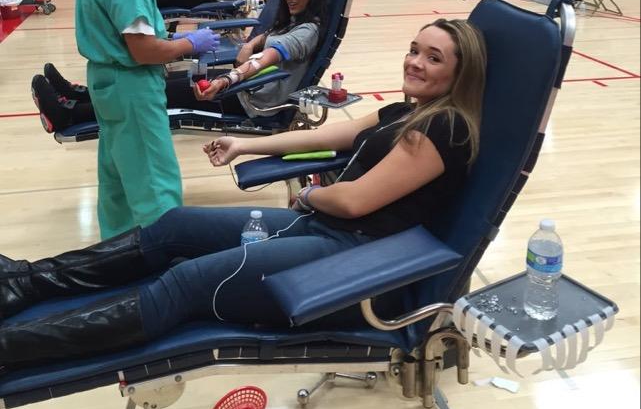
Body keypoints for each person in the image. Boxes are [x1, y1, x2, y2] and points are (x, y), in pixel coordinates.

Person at [1, 19, 486, 372]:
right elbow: (328, 138)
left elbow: (354, 201)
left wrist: (311, 197)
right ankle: (24, 282)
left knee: (186, 282)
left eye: (433, 57)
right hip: (326, 230)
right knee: (176, 227)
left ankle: (12, 346)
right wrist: (245, 145)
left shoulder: (444, 128)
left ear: (460, 74)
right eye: (414, 49)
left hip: (356, 261)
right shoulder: (406, 111)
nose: (414, 62)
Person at [74, 0, 220, 240]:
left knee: (119, 176)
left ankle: (117, 247)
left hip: (107, 82)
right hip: (131, 85)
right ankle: (165, 263)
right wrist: (190, 44)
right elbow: (143, 50)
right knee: (155, 180)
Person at [32, 0, 328, 130]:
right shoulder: (292, 20)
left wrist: (227, 78)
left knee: (150, 95)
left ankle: (69, 114)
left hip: (248, 101)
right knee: (154, 83)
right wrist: (252, 43)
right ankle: (78, 96)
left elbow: (267, 59)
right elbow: (269, 40)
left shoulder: (306, 31)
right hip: (244, 88)